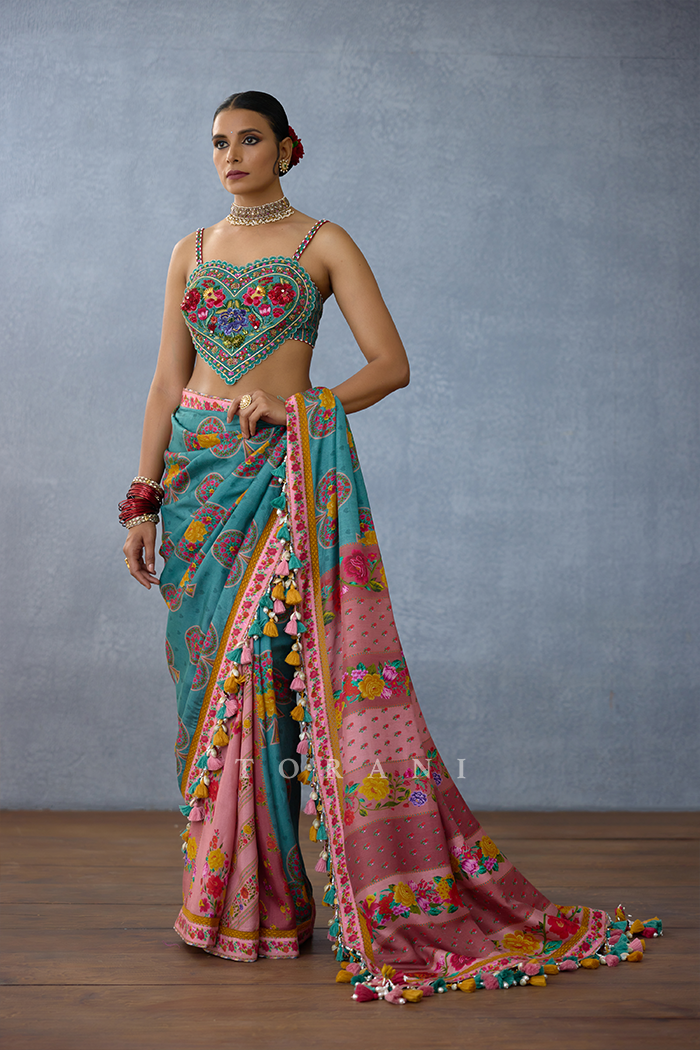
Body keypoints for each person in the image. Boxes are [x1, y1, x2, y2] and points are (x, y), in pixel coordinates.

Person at [121, 91, 660, 1004]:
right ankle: (227, 901)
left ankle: (274, 905)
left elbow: (390, 365)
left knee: (277, 682)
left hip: (280, 478)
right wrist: (143, 498)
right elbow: (167, 380)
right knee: (210, 691)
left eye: (249, 139)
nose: (231, 155)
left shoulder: (323, 242)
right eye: (218, 142)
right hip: (199, 493)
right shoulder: (191, 250)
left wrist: (298, 407)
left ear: (287, 147)